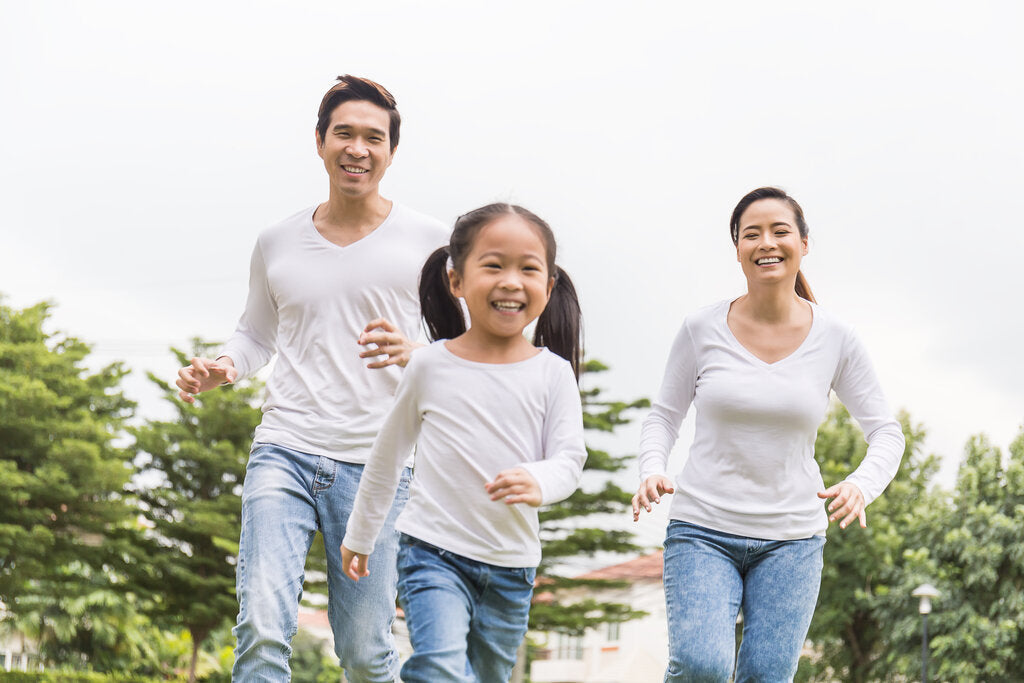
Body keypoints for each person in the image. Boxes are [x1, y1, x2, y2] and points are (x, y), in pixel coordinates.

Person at [174, 75, 449, 682]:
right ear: (320, 142)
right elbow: (254, 335)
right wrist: (221, 368)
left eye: (373, 138)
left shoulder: (431, 243)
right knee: (263, 627)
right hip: (285, 448)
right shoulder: (277, 241)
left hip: (381, 465)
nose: (358, 148)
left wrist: (414, 352)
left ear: (392, 152)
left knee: (364, 650)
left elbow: (461, 351)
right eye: (344, 134)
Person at [633, 187, 905, 682]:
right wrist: (652, 468)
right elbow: (663, 416)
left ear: (803, 243)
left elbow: (886, 432)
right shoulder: (701, 328)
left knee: (766, 674)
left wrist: (861, 485)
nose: (767, 243)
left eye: (780, 231)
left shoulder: (836, 338)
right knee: (701, 665)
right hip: (702, 529)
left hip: (792, 539)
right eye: (751, 233)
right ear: (737, 247)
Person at [339, 203, 587, 683]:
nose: (511, 281)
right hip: (432, 552)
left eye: (528, 269)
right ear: (456, 281)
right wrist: (361, 534)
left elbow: (569, 459)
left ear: (549, 285)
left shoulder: (552, 374)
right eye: (493, 265)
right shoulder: (430, 366)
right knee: (438, 668)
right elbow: (387, 458)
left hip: (512, 567)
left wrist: (538, 479)